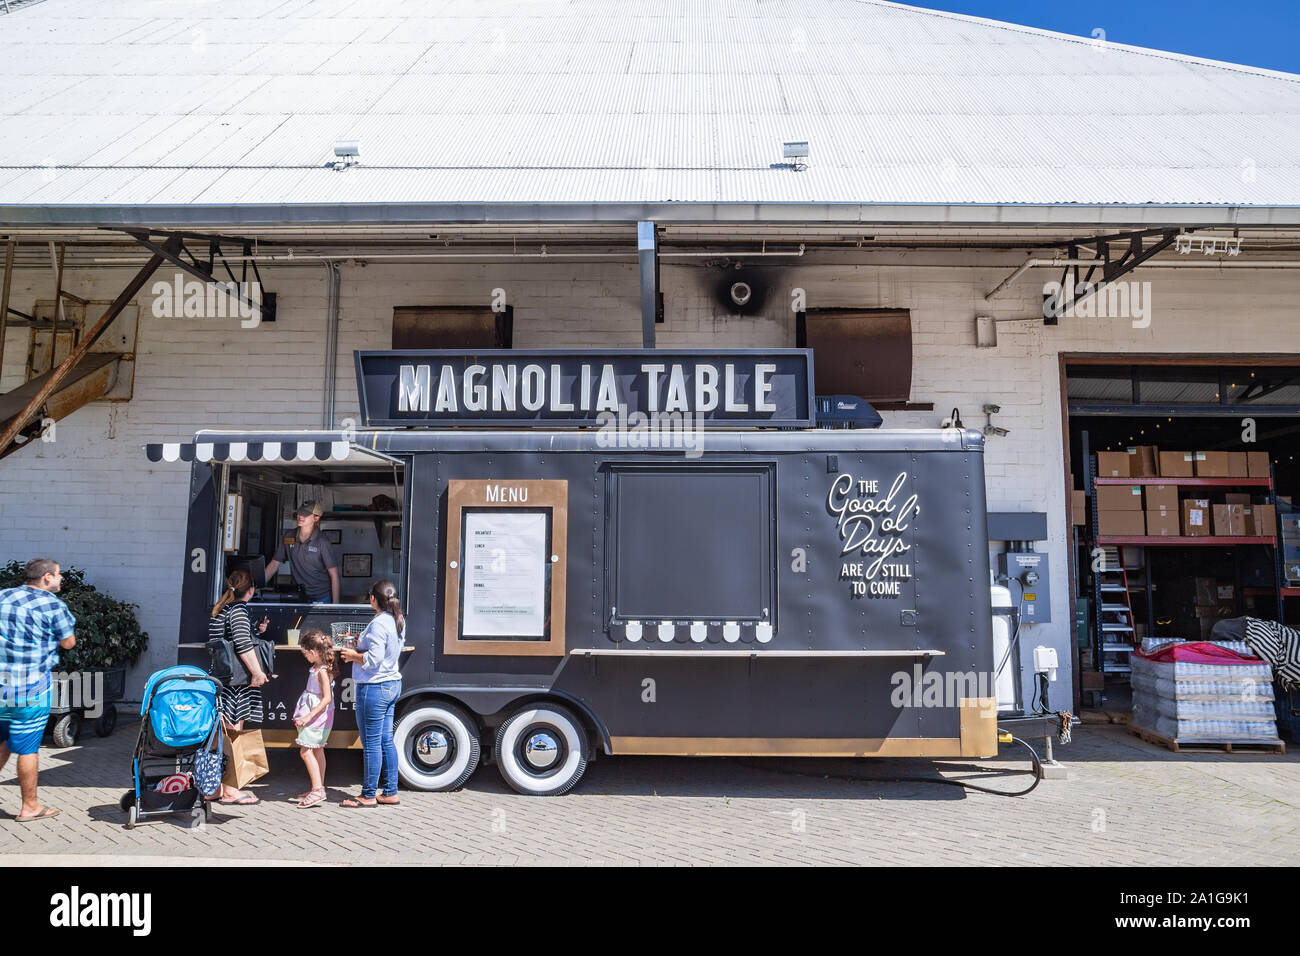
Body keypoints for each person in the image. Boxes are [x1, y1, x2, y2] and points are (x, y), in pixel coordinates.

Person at [0, 558, 76, 823]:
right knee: (28, 748)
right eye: (58, 575)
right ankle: (29, 806)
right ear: (46, 577)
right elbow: (68, 643)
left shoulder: (3, 596)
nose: (61, 579)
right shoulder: (54, 606)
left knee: (3, 740)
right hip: (30, 687)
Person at [339, 580, 404, 808]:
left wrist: (351, 654)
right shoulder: (397, 620)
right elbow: (385, 651)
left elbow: (373, 660)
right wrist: (360, 643)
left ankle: (368, 795)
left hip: (375, 686)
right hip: (392, 684)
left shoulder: (378, 624)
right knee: (386, 740)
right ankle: (390, 792)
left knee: (372, 743)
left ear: (373, 599)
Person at [208, 568, 270, 805]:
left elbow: (229, 639)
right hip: (235, 683)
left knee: (219, 736)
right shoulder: (239, 610)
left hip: (219, 679)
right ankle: (232, 791)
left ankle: (214, 788)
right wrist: (257, 672)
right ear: (251, 590)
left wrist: (257, 630)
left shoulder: (220, 609)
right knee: (233, 735)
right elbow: (243, 645)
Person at [290, 628, 335, 809]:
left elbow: (327, 698)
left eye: (305, 653)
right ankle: (318, 787)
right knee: (317, 750)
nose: (305, 657)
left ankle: (317, 790)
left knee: (305, 751)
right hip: (319, 718)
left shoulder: (321, 671)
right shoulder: (318, 668)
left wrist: (308, 715)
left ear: (313, 652)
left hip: (316, 718)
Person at [264, 500, 340, 605]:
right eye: (300, 513)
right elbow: (274, 564)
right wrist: (255, 587)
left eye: (305, 514)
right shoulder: (289, 536)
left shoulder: (322, 542)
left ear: (316, 518)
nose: (300, 516)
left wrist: (336, 606)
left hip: (321, 597)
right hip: (299, 595)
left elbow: (334, 575)